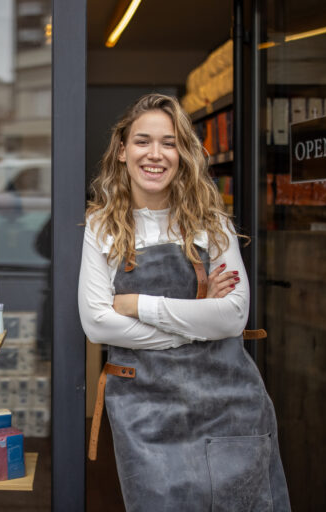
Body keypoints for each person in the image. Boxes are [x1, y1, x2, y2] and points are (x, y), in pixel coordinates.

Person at [78, 94, 290, 511]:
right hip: (145, 413)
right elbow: (98, 325)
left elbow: (231, 317)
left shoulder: (213, 223)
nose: (155, 154)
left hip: (228, 405)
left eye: (169, 142)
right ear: (122, 151)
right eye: (142, 141)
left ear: (183, 153)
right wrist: (196, 322)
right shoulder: (100, 227)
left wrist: (135, 303)